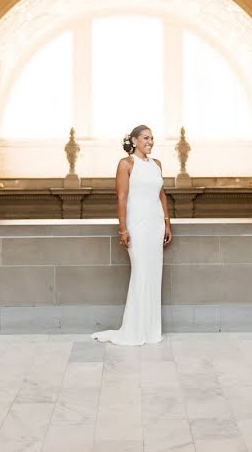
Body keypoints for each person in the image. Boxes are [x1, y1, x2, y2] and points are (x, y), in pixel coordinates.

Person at [92, 125, 172, 345]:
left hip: (155, 225)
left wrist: (167, 223)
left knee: (154, 275)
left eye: (152, 138)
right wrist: (123, 229)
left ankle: (151, 330)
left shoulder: (156, 165)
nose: (151, 141)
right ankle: (134, 331)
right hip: (137, 226)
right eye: (146, 138)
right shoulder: (126, 164)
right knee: (140, 274)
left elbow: (161, 195)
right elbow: (121, 198)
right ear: (134, 141)